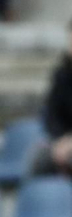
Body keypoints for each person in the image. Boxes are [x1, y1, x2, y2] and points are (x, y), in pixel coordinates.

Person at [37, 19, 72, 177]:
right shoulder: (62, 75)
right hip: (64, 142)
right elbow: (52, 114)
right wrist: (61, 140)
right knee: (38, 158)